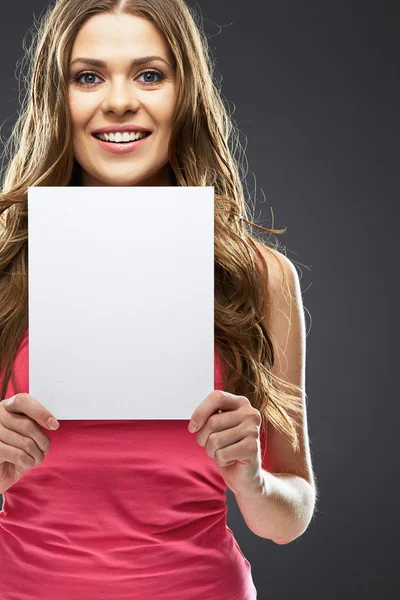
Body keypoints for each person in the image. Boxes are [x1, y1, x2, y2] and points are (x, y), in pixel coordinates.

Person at [0, 1, 318, 598]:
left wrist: (251, 481)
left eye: (150, 74)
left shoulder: (260, 278)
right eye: (88, 75)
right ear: (56, 98)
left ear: (185, 95)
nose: (119, 100)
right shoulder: (4, 266)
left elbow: (291, 509)